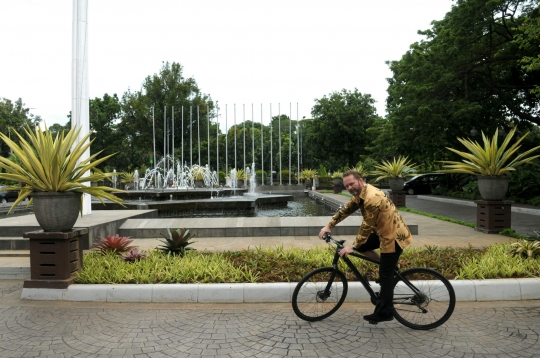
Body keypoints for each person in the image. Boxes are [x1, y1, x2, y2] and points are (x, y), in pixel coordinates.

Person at [319, 170, 413, 323]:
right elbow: (346, 209)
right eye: (346, 186)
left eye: (352, 184)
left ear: (361, 180)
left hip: (393, 236)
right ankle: (388, 267)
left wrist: (353, 247)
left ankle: (385, 313)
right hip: (382, 232)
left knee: (385, 275)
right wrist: (329, 226)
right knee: (366, 249)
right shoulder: (360, 194)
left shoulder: (371, 197)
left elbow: (366, 226)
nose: (349, 187)